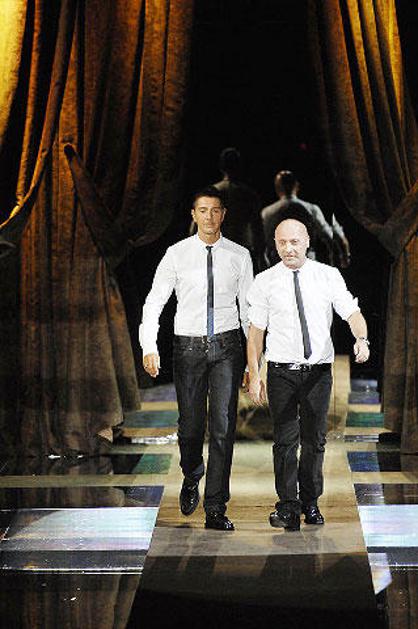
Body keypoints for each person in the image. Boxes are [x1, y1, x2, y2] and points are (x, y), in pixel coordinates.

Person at [139, 186, 253, 531]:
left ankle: (215, 506)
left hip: (227, 347)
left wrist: (254, 361)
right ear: (193, 214)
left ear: (223, 214)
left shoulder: (239, 256)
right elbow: (155, 300)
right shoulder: (176, 254)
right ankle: (192, 474)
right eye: (203, 210)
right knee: (190, 427)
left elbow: (249, 312)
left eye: (215, 210)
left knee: (223, 427)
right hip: (188, 348)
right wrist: (148, 345)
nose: (209, 217)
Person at [246, 218, 369, 531]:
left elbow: (351, 311)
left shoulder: (327, 276)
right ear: (275, 244)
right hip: (281, 373)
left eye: (294, 242)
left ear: (307, 241)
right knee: (285, 441)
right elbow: (256, 333)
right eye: (282, 243)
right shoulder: (264, 281)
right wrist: (254, 373)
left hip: (317, 373)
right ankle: (288, 507)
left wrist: (361, 339)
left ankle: (311, 502)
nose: (288, 248)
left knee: (314, 440)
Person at [190, 147, 265, 271]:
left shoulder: (211, 192)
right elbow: (257, 229)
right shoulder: (248, 195)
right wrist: (261, 256)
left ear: (221, 167)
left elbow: (196, 225)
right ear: (240, 167)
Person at [261, 170, 334, 266]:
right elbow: (328, 236)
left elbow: (262, 243)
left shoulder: (267, 213)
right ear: (296, 186)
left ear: (277, 188)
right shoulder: (311, 209)